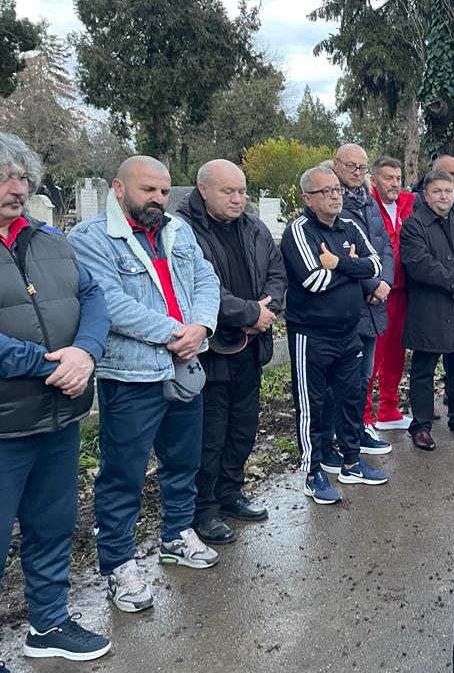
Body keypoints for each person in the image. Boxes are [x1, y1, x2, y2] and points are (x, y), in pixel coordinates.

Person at [70, 156, 221, 613]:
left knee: (183, 460)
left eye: (164, 191)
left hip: (184, 366)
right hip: (132, 374)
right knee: (124, 473)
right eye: (148, 190)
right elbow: (110, 304)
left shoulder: (178, 230)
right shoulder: (91, 238)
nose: (158, 199)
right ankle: (118, 562)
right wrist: (177, 333)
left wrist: (202, 325)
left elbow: (206, 279)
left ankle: (176, 534)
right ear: (118, 188)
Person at [0, 133, 112, 663]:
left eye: (22, 177)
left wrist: (86, 352)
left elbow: (92, 295)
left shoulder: (49, 239)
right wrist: (51, 365)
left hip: (59, 417)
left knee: (52, 527)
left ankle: (47, 624)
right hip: (6, 423)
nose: (17, 188)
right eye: (4, 177)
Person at [176, 159, 287, 545]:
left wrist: (266, 310)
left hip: (250, 346)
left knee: (243, 427)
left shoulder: (254, 227)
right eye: (228, 191)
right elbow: (198, 286)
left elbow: (276, 273)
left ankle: (230, 492)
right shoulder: (184, 230)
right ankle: (203, 508)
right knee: (211, 433)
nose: (238, 198)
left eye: (242, 191)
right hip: (211, 348)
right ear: (203, 189)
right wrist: (248, 314)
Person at [280, 166, 387, 505]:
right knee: (312, 406)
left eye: (336, 189)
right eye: (325, 191)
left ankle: (352, 463)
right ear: (307, 198)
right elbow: (313, 281)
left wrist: (338, 264)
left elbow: (375, 266)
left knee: (351, 399)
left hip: (349, 332)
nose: (334, 195)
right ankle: (313, 473)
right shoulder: (298, 231)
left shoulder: (349, 226)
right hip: (311, 336)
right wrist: (352, 267)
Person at [329, 144, 393, 458]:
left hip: (374, 301)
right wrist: (372, 283)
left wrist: (385, 282)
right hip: (349, 302)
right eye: (351, 166)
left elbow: (384, 246)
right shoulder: (331, 200)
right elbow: (338, 254)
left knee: (364, 376)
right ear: (336, 165)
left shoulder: (368, 201)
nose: (357, 172)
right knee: (344, 377)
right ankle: (340, 435)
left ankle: (356, 430)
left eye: (362, 167)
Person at [400, 169, 454, 449]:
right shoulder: (414, 225)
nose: (444, 196)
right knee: (423, 370)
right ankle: (421, 426)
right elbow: (419, 264)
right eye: (437, 191)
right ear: (426, 195)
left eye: (448, 191)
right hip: (430, 309)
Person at [365, 156, 416, 431]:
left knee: (397, 354)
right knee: (372, 357)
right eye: (388, 178)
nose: (395, 183)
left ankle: (388, 410)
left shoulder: (410, 203)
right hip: (377, 293)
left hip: (404, 290)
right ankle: (363, 417)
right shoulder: (367, 205)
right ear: (374, 181)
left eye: (398, 178)